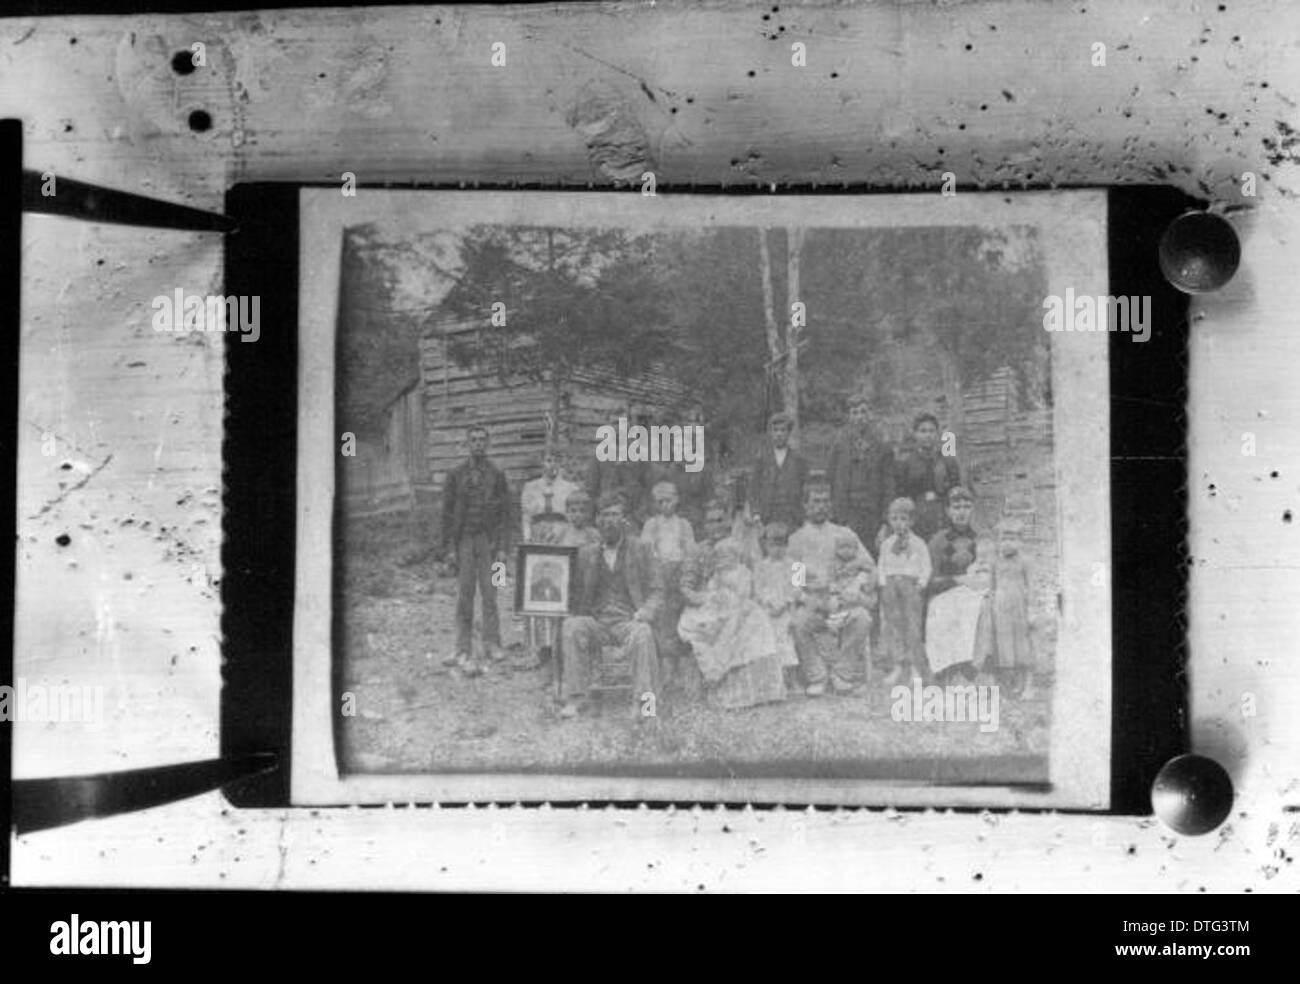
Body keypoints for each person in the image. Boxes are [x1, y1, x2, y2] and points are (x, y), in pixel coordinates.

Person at [559, 492, 663, 721]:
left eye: (615, 515)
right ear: (597, 519)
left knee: (643, 633)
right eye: (604, 515)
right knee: (571, 626)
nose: (609, 521)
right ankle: (576, 698)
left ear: (624, 520)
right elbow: (572, 592)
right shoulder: (586, 553)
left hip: (629, 619)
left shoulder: (641, 549)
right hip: (597, 621)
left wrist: (647, 610)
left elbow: (657, 590)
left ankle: (643, 703)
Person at [787, 482, 875, 696]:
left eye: (825, 501)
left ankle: (842, 674)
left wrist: (855, 587)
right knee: (798, 622)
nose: (821, 506)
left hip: (843, 599)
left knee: (862, 617)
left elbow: (869, 567)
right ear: (805, 505)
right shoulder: (797, 540)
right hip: (814, 602)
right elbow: (795, 581)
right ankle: (816, 676)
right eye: (815, 501)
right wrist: (808, 598)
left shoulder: (844, 534)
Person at [676, 541, 785, 710]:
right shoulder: (722, 572)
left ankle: (764, 690)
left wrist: (785, 602)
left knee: (750, 634)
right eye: (719, 557)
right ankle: (722, 688)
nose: (722, 560)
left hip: (751, 608)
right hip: (726, 608)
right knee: (705, 628)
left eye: (726, 556)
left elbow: (748, 593)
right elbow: (710, 591)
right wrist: (714, 596)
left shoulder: (746, 572)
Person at [440, 425, 509, 676]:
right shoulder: (455, 474)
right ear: (467, 444)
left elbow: (505, 514)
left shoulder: (497, 474)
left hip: (489, 543)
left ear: (488, 444)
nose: (478, 444)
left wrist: (502, 548)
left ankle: (492, 644)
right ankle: (461, 648)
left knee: (491, 593)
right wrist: (449, 548)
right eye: (474, 440)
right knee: (464, 595)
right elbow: (447, 514)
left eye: (482, 440)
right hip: (464, 542)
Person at [925, 486, 994, 683]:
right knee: (941, 608)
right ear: (948, 510)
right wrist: (957, 580)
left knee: (979, 607)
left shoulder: (982, 539)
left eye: (966, 506)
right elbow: (929, 582)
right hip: (945, 593)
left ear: (972, 509)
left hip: (975, 593)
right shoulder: (938, 541)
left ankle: (971, 668)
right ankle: (946, 667)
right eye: (956, 507)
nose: (961, 512)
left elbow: (990, 571)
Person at [641, 481, 696, 684]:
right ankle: (666, 664)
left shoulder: (684, 525)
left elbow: (691, 553)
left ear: (677, 500)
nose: (665, 505)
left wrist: (684, 575)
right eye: (660, 501)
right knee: (663, 613)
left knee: (679, 612)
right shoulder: (651, 524)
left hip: (680, 575)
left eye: (669, 500)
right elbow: (646, 552)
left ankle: (682, 664)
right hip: (658, 575)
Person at [826, 394, 893, 557]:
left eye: (863, 412)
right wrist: (837, 516)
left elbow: (889, 484)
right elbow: (831, 479)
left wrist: (885, 522)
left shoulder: (881, 445)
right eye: (855, 413)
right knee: (846, 557)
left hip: (873, 514)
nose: (860, 417)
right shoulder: (839, 444)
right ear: (849, 416)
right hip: (847, 514)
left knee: (872, 557)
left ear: (869, 414)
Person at [877, 497, 933, 686]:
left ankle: (916, 668)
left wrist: (921, 584)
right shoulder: (886, 544)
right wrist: (883, 583)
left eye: (903, 518)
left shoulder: (918, 543)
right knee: (894, 627)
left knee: (912, 628)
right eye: (894, 519)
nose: (898, 523)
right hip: (891, 588)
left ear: (911, 521)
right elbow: (881, 566)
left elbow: (926, 566)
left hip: (910, 587)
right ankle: (899, 666)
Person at [892, 412, 964, 543]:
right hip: (917, 519)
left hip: (943, 517)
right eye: (923, 431)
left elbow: (956, 492)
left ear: (937, 434)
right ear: (915, 434)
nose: (927, 435)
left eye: (931, 431)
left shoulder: (948, 461)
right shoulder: (906, 463)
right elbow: (901, 495)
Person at [987, 519, 1036, 698]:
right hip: (1000, 608)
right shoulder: (995, 562)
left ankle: (1028, 683)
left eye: (1013, 538)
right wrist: (991, 608)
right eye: (1003, 539)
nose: (1008, 543)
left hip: (1019, 608)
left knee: (1021, 644)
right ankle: (1006, 684)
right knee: (1003, 644)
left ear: (1020, 541)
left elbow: (1031, 587)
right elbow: (991, 587)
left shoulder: (1025, 561)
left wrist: (1031, 611)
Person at [752, 522, 800, 684]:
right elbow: (758, 589)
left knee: (786, 638)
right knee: (768, 637)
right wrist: (770, 603)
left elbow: (798, 588)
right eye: (773, 545)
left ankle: (790, 678)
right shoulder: (760, 566)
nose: (777, 550)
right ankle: (771, 678)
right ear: (765, 545)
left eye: (781, 545)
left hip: (788, 608)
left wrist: (785, 602)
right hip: (768, 608)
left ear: (787, 545)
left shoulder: (796, 565)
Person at [747, 411, 808, 531]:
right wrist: (756, 515)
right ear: (770, 433)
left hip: (792, 518)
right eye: (775, 430)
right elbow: (754, 489)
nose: (779, 434)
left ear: (789, 433)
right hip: (767, 517)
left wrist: (803, 515)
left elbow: (804, 489)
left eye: (783, 430)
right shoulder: (762, 458)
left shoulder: (798, 459)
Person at [520, 449, 578, 544]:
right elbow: (526, 517)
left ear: (560, 463)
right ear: (542, 463)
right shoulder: (530, 487)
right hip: (537, 535)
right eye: (549, 461)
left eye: (556, 461)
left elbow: (572, 518)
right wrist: (527, 538)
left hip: (562, 535)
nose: (552, 464)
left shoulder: (571, 488)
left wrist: (570, 539)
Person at [827, 533, 876, 636]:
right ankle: (835, 624)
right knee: (833, 604)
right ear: (836, 549)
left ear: (856, 549)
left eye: (850, 548)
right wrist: (834, 588)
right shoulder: (833, 563)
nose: (846, 551)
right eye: (842, 548)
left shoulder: (860, 561)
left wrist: (863, 583)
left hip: (856, 591)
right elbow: (831, 579)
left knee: (861, 612)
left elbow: (871, 572)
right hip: (838, 591)